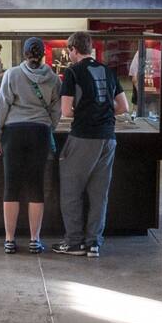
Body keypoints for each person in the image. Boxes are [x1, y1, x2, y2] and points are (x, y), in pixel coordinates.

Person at [52, 32, 129, 258]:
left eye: (69, 50)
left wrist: (86, 114)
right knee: (99, 193)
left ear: (73, 49)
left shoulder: (73, 72)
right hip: (108, 138)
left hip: (84, 137)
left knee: (71, 190)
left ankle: (74, 242)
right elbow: (123, 106)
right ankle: (94, 242)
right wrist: (101, 112)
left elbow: (66, 111)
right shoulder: (108, 70)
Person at [0, 38, 61, 254]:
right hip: (39, 133)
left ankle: (10, 240)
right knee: (36, 186)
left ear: (24, 54)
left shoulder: (12, 74)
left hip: (14, 132)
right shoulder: (53, 78)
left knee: (11, 185)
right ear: (43, 55)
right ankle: (34, 240)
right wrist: (48, 126)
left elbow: (2, 106)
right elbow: (56, 111)